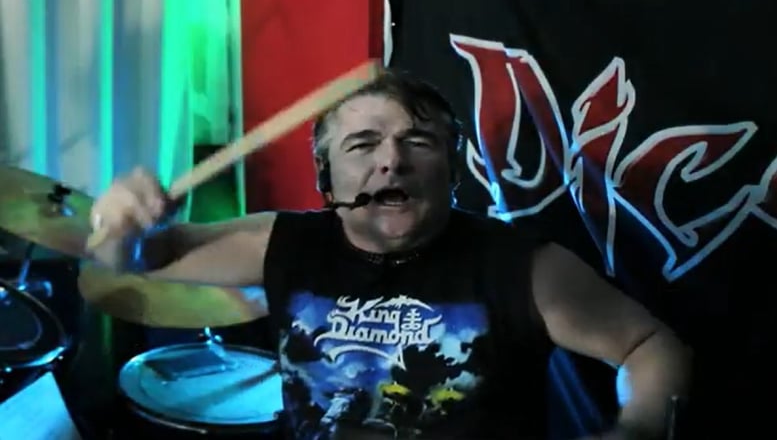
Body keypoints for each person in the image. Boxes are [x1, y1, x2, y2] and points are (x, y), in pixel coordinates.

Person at [88, 69, 692, 440]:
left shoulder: (523, 266)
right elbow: (140, 259)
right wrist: (121, 223)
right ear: (327, 178)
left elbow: (650, 345)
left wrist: (638, 426)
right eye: (362, 144)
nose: (392, 161)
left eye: (417, 141)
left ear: (452, 170)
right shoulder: (285, 243)